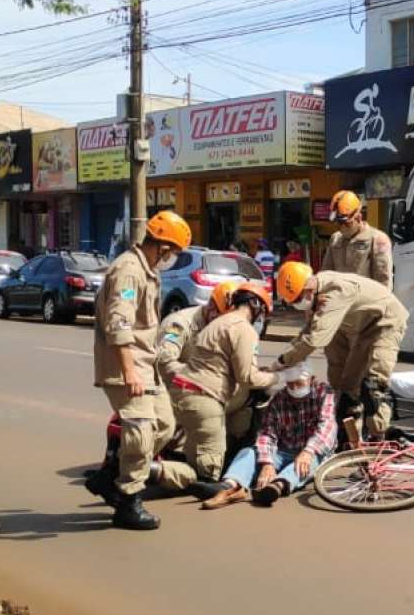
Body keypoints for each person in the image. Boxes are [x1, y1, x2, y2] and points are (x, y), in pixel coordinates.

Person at [89, 210, 192, 531]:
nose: (173, 259)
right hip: (127, 368)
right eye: (174, 252)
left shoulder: (147, 270)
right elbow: (119, 323)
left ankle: (109, 477)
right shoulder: (129, 272)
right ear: (162, 247)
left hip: (147, 365)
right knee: (141, 433)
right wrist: (129, 372)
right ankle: (128, 500)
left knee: (164, 424)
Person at [157, 283, 280, 498]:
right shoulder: (242, 328)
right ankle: (152, 471)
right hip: (196, 395)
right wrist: (278, 377)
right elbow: (247, 377)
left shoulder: (216, 323)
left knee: (238, 412)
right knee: (207, 476)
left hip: (182, 390)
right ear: (256, 305)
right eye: (262, 313)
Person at [273, 263, 408, 440]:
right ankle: (349, 439)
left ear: (309, 286)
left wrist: (284, 361)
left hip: (387, 322)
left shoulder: (335, 293)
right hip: (365, 328)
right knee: (348, 388)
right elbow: (309, 331)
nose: (298, 304)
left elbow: (317, 338)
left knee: (374, 383)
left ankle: (378, 435)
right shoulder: (318, 292)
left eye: (298, 299)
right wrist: (285, 356)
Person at [201, 363, 337, 509]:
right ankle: (230, 485)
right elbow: (267, 432)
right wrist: (267, 463)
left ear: (312, 379)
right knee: (249, 453)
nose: (295, 388)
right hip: (283, 450)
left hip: (313, 451)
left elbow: (327, 426)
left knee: (303, 465)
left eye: (299, 384)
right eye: (291, 384)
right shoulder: (279, 398)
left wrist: (308, 451)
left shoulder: (324, 392)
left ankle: (276, 486)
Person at [320, 190, 393, 290]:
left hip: (365, 302)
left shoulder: (378, 240)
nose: (341, 227)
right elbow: (326, 274)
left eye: (345, 223)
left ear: (358, 218)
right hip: (340, 301)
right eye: (338, 223)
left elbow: (384, 281)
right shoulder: (335, 239)